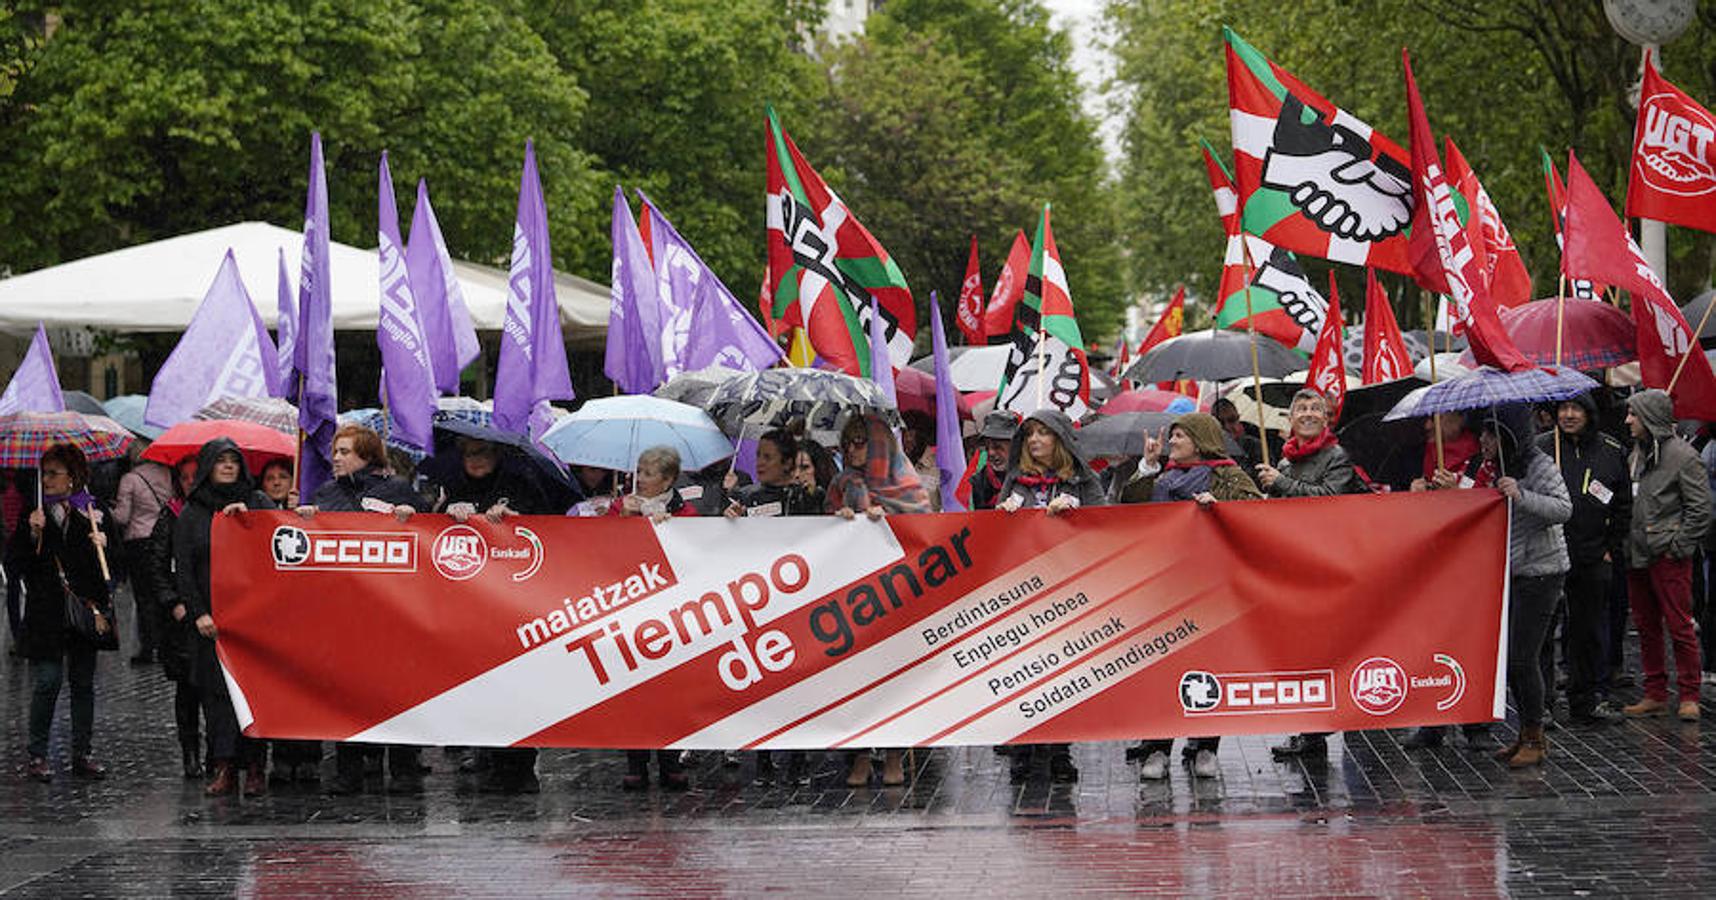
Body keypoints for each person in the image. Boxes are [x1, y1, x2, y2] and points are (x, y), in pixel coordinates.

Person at [1119, 412, 1262, 780]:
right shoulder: (1163, 476)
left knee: (1207, 669)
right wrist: (1147, 466)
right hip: (1165, 590)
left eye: (1181, 435)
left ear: (1201, 440)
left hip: (1212, 590)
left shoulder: (1229, 476)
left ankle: (1206, 747)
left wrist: (1221, 511)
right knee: (1162, 672)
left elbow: (1257, 518)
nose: (1173, 442)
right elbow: (1130, 508)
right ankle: (1157, 749)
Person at [297, 424, 424, 794]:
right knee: (347, 693)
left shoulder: (398, 492)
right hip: (345, 614)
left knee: (396, 691)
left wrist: (411, 517)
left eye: (345, 452)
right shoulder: (326, 494)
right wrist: (303, 520)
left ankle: (402, 770)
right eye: (335, 452)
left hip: (392, 613)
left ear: (367, 456)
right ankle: (348, 770)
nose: (336, 458)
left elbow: (424, 540)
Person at [997, 409, 1107, 784]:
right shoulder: (1016, 481)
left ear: (1059, 439)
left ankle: (1060, 750)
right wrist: (1006, 515)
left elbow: (1106, 524)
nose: (1034, 440)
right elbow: (997, 538)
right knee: (1022, 671)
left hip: (1068, 591)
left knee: (1063, 673)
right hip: (1023, 594)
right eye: (1030, 434)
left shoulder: (1081, 481)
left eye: (1043, 433)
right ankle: (1023, 751)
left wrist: (1077, 514)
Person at [1256, 390, 1365, 760]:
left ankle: (1322, 725)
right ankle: (1310, 730)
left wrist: (1281, 484)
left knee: (1325, 649)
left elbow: (1328, 498)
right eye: (1300, 408)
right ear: (1289, 419)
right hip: (1293, 568)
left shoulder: (1337, 457)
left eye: (1314, 409)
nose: (1307, 414)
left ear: (1326, 418)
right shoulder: (1284, 463)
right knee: (1301, 653)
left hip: (1326, 566)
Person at [826, 415, 930, 787]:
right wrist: (840, 522)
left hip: (896, 597)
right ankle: (857, 758)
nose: (853, 450)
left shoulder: (907, 485)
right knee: (853, 682)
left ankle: (892, 757)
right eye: (848, 442)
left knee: (892, 681)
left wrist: (890, 523)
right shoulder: (840, 483)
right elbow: (816, 537)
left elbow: (926, 534)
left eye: (861, 442)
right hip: (851, 597)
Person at [177, 440, 277, 796]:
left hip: (251, 622)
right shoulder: (192, 512)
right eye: (221, 461)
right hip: (211, 624)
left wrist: (251, 520)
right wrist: (199, 613)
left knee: (252, 696)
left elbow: (274, 546)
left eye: (234, 461)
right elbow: (185, 570)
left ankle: (254, 768)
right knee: (217, 699)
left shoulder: (257, 502)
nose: (229, 466)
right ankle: (224, 767)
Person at [15, 443, 118, 783]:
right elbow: (15, 564)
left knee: (83, 683)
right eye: (44, 473)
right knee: (47, 680)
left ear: (72, 478)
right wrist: (31, 533)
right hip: (46, 613)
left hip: (83, 613)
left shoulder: (93, 510)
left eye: (54, 473)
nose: (46, 480)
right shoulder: (34, 511)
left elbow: (114, 568)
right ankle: (37, 754)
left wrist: (103, 545)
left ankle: (82, 753)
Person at [724, 428, 819, 784]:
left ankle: (799, 759)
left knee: (798, 682)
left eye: (767, 457)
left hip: (797, 604)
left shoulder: (809, 496)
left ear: (787, 463)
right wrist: (728, 522)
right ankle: (763, 760)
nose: (759, 463)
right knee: (763, 683)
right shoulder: (746, 499)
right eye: (758, 456)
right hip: (759, 605)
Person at [1541, 392, 1631, 727]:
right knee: (1544, 632)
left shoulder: (1610, 450)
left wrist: (1610, 546)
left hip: (1593, 555)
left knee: (1588, 630)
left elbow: (1623, 504)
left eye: (1575, 408)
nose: (1567, 415)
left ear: (1589, 413)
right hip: (1549, 552)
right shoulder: (1542, 448)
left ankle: (1587, 699)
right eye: (1562, 408)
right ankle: (1542, 704)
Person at [608, 445, 694, 791]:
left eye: (648, 473)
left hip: (670, 611)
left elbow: (696, 546)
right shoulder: (621, 506)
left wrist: (671, 528)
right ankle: (636, 761)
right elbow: (598, 545)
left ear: (668, 479)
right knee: (633, 688)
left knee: (671, 688)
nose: (639, 479)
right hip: (631, 606)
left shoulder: (684, 510)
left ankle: (670, 760)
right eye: (639, 471)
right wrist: (624, 519)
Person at [1621, 389, 1711, 723]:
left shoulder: (1683, 456)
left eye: (1634, 414)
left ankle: (1689, 693)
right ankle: (1655, 692)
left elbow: (1701, 509)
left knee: (1680, 625)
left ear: (1650, 418)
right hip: (1636, 552)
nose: (1628, 420)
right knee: (1645, 625)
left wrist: (1678, 545)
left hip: (1667, 555)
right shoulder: (1635, 453)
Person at [150, 456, 208, 779]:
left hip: (214, 611)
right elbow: (156, 567)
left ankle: (219, 755)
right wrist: (173, 602)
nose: (189, 482)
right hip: (181, 620)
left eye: (194, 476)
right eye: (183, 477)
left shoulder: (215, 512)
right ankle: (190, 753)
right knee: (187, 690)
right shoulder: (170, 516)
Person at [111, 451, 174, 665]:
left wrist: (108, 510)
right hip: (163, 539)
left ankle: (148, 647)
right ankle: (165, 643)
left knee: (144, 596)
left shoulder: (130, 479)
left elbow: (123, 516)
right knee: (161, 592)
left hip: (138, 541)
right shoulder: (167, 474)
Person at [967, 412, 1017, 511]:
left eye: (997, 447)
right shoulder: (979, 481)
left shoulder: (1030, 475)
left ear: (1014, 446)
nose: (991, 453)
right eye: (986, 447)